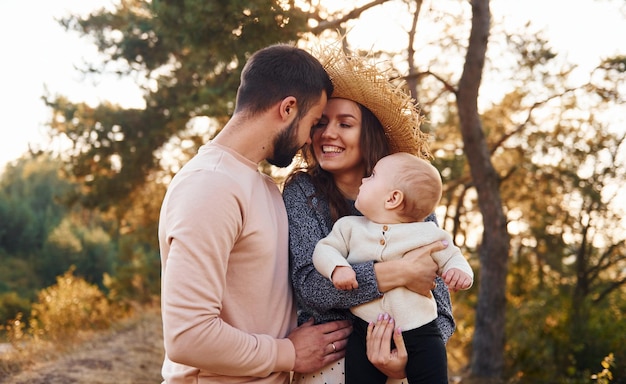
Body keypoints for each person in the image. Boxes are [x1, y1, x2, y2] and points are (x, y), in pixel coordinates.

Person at [158, 43, 353, 384]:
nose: (310, 138)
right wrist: (288, 354)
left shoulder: (261, 186)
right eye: (313, 122)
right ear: (288, 108)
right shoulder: (210, 186)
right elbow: (187, 337)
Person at [283, 43, 456, 384]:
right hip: (330, 363)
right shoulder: (304, 192)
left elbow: (443, 313)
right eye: (320, 122)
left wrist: (401, 366)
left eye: (345, 124)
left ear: (368, 135)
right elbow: (311, 288)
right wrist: (401, 272)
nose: (327, 133)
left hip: (403, 362)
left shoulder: (406, 199)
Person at [313, 152, 474, 384]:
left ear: (393, 198)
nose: (364, 180)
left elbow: (453, 257)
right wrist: (337, 268)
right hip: (365, 330)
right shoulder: (349, 227)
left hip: (422, 333)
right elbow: (324, 249)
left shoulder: (428, 233)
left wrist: (461, 273)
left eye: (372, 177)